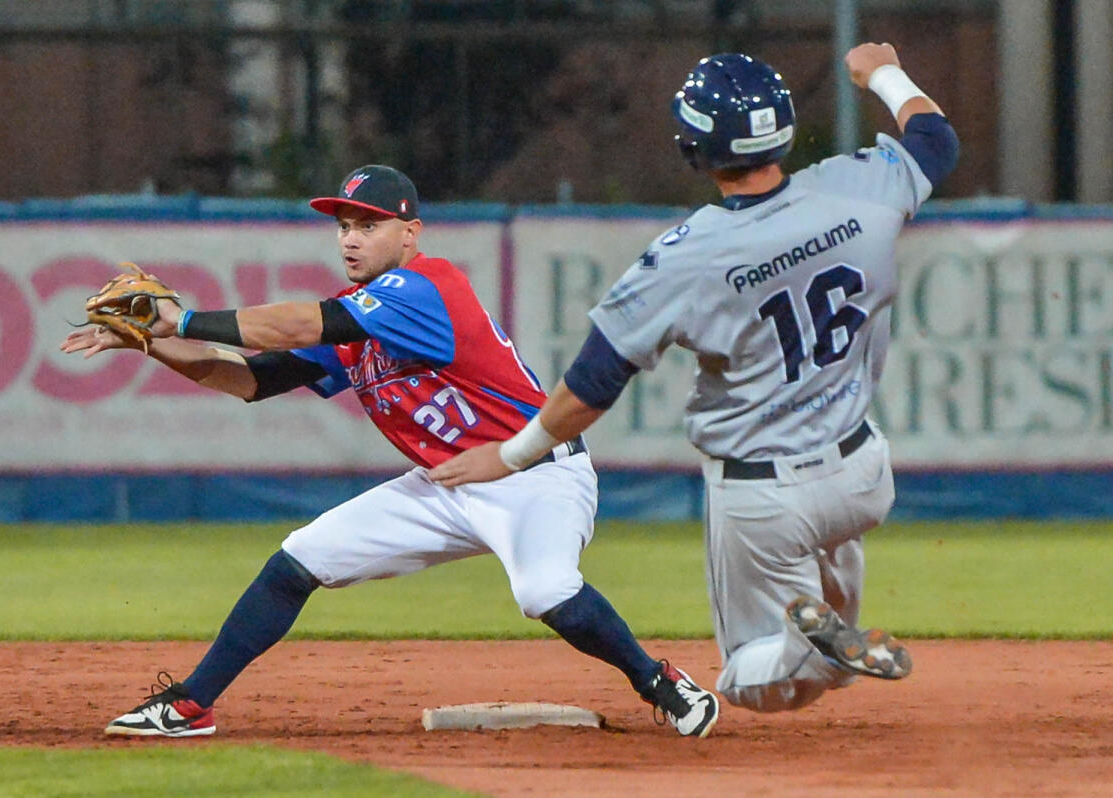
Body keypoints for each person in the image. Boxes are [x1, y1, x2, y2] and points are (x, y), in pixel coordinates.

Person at [61, 164, 719, 738]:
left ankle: (659, 682)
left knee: (545, 589)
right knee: (298, 561)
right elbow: (250, 380)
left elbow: (304, 323)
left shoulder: (425, 286)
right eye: (344, 225)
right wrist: (152, 342)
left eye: (369, 224)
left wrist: (179, 319)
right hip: (446, 482)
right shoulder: (360, 316)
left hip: (533, 474)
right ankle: (190, 705)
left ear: (410, 232)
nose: (350, 237)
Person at [429, 43, 959, 713]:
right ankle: (827, 644)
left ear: (694, 147)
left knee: (755, 682)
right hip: (861, 474)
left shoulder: (687, 255)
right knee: (838, 665)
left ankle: (811, 647)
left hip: (765, 496)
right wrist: (882, 71)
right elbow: (935, 141)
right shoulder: (857, 186)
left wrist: (512, 455)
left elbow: (593, 383)